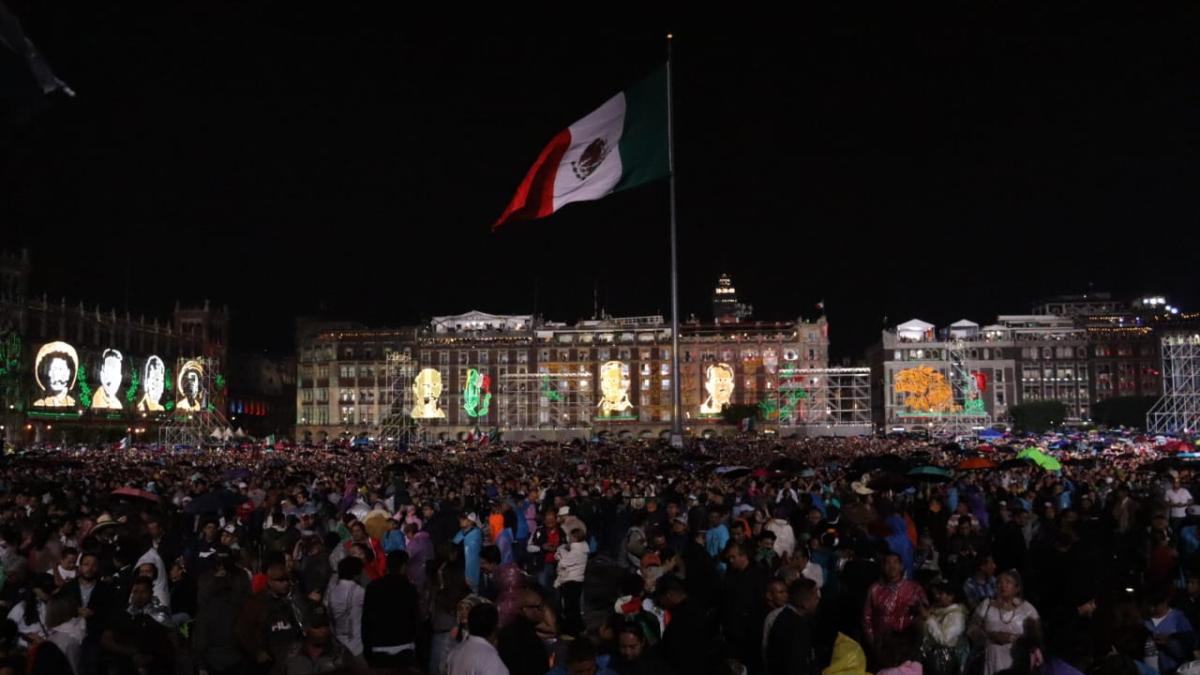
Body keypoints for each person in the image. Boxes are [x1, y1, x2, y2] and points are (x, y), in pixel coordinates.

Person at [237, 558, 307, 675]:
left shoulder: (291, 600)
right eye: (280, 580)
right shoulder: (257, 602)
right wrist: (257, 652)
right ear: (269, 581)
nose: (286, 583)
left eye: (287, 580)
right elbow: (242, 630)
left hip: (291, 657)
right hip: (269, 660)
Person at [968, 570, 1039, 675]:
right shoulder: (986, 605)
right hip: (992, 660)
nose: (1003, 585)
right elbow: (971, 629)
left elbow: (1037, 637)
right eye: (999, 582)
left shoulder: (1027, 609)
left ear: (1017, 587)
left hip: (1017, 662)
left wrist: (1015, 639)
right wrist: (990, 636)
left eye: (1008, 582)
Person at [100, 577, 175, 674]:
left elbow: (171, 639)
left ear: (151, 593)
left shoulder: (160, 613)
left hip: (155, 664)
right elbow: (106, 639)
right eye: (135, 592)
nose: (139, 595)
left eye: (143, 592)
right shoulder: (121, 613)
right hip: (125, 662)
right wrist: (130, 652)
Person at [362, 551, 420, 671]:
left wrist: (367, 649)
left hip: (379, 646)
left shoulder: (373, 587)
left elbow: (366, 621)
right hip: (404, 645)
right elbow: (415, 620)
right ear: (404, 566)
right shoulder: (409, 588)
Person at [863, 553, 928, 651]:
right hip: (881, 645)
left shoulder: (914, 588)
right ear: (883, 567)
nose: (892, 566)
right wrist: (873, 641)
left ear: (901, 566)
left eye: (895, 562)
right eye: (888, 563)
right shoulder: (874, 589)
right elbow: (866, 618)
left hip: (908, 645)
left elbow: (925, 615)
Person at [282, 603, 366, 675]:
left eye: (325, 625)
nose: (322, 630)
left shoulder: (341, 654)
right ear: (306, 628)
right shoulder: (291, 654)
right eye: (317, 627)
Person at [763, 578, 819, 675]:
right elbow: (796, 666)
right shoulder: (797, 627)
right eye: (815, 598)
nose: (818, 600)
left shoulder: (783, 618)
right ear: (804, 604)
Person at [498, 589, 552, 675]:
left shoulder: (512, 630)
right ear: (523, 609)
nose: (542, 611)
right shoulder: (524, 637)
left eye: (542, 606)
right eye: (538, 607)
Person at [921, 582, 968, 675]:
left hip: (945, 660)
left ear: (951, 596)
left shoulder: (957, 615)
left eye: (940, 594)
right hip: (930, 657)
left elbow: (945, 640)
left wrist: (929, 619)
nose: (937, 596)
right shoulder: (937, 611)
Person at [1144, 587, 1195, 675]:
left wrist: (1169, 642)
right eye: (1150, 605)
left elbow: (1189, 644)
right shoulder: (1145, 620)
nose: (1152, 609)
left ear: (1165, 602)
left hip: (1172, 669)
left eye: (1156, 605)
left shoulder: (1178, 618)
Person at [324, 556, 365, 657]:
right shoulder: (359, 591)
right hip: (357, 645)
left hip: (340, 643)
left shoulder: (332, 591)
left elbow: (330, 615)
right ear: (356, 573)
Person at [555, 528, 589, 637]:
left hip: (571, 581)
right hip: (574, 580)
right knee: (573, 606)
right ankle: (576, 628)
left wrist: (561, 551)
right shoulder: (581, 550)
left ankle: (573, 630)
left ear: (575, 538)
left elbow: (564, 563)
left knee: (571, 607)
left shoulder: (576, 552)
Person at [32, 341, 77, 407]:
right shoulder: (39, 403)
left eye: (60, 369)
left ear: (69, 373)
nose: (56, 374)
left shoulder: (73, 402)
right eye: (53, 369)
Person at [455, 512, 485, 592]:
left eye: (464, 519)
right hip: (460, 571)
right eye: (461, 518)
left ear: (471, 521)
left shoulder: (475, 535)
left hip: (470, 575)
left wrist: (469, 577)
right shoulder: (461, 532)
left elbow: (472, 559)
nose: (460, 520)